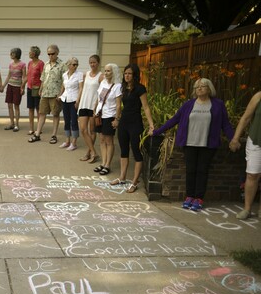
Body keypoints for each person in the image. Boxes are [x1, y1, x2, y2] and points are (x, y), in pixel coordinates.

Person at [152, 78, 234, 211]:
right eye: (197, 87)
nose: (199, 89)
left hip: (207, 144)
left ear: (209, 88)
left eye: (203, 86)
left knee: (202, 171)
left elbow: (225, 124)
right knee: (190, 170)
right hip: (189, 143)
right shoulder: (189, 104)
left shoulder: (218, 105)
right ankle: (189, 196)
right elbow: (174, 119)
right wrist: (157, 132)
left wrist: (233, 139)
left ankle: (199, 198)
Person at [110, 64, 154, 193]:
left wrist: (151, 124)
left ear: (135, 75)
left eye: (129, 73)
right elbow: (119, 105)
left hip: (135, 123)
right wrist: (117, 120)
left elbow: (146, 107)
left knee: (136, 151)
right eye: (125, 73)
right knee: (123, 150)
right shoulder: (123, 88)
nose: (127, 76)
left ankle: (134, 182)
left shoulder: (140, 89)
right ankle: (122, 177)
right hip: (124, 122)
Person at [229, 91, 261, 219]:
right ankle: (247, 209)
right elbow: (246, 118)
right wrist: (235, 138)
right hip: (256, 140)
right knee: (252, 174)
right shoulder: (258, 96)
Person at [28, 44, 66, 144]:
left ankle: (54, 135)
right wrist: (41, 89)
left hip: (55, 94)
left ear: (57, 53)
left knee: (55, 114)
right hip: (45, 93)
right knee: (42, 113)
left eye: (52, 54)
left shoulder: (62, 65)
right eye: (48, 54)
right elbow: (43, 78)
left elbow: (65, 81)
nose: (50, 56)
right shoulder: (46, 64)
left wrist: (61, 94)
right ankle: (37, 134)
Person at [92, 63, 122, 176]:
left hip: (110, 115)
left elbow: (118, 105)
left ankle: (108, 165)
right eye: (105, 71)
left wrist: (117, 119)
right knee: (101, 140)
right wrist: (95, 110)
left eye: (108, 71)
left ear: (113, 72)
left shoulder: (117, 86)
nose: (106, 73)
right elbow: (99, 98)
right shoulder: (103, 83)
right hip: (100, 114)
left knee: (109, 141)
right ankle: (103, 163)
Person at [77, 55, 103, 163]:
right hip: (84, 104)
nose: (92, 64)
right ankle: (94, 152)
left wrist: (97, 106)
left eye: (94, 62)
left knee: (92, 131)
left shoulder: (101, 76)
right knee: (83, 129)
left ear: (98, 63)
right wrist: (78, 100)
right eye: (91, 62)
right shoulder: (85, 74)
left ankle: (89, 153)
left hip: (93, 106)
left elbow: (101, 93)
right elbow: (81, 88)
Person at [58, 57, 83, 150]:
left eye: (77, 64)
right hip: (65, 99)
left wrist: (78, 100)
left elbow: (81, 88)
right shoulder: (64, 75)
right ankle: (67, 140)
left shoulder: (79, 75)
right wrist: (60, 95)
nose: (75, 66)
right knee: (66, 120)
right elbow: (63, 86)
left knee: (74, 120)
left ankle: (74, 142)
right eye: (73, 64)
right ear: (68, 65)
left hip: (74, 100)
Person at [1, 48, 26, 132]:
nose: (10, 54)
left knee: (16, 106)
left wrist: (22, 87)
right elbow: (8, 76)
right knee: (9, 105)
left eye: (12, 53)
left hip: (17, 87)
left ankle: (17, 125)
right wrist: (3, 86)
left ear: (16, 54)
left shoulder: (22, 64)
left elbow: (24, 77)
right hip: (10, 86)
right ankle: (11, 123)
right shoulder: (11, 64)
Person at [26, 46, 44, 136]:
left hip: (37, 89)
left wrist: (41, 89)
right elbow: (27, 75)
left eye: (31, 52)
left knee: (38, 108)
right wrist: (22, 85)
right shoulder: (29, 63)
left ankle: (38, 129)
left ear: (35, 53)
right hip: (29, 88)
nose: (29, 53)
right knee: (30, 108)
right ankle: (31, 128)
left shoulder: (41, 63)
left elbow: (43, 77)